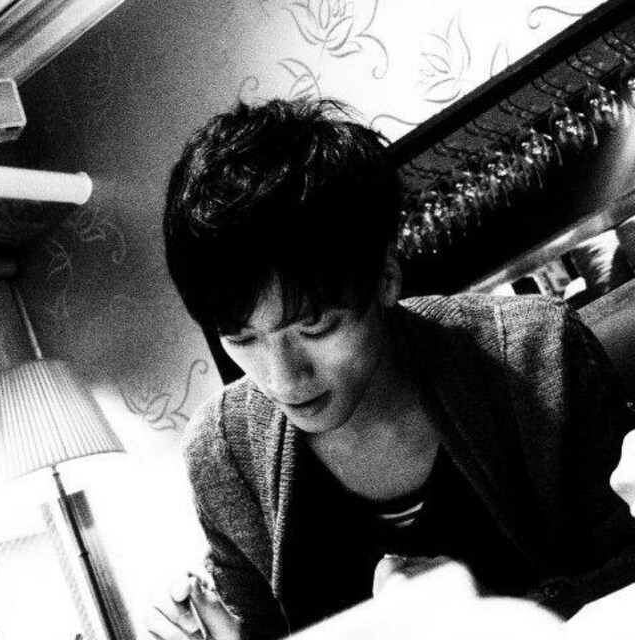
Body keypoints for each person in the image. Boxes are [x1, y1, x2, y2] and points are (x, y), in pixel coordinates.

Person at [149, 97, 635, 640]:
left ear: (385, 278)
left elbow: (626, 565)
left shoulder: (536, 352)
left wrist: (485, 616)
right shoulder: (223, 453)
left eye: (316, 327)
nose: (282, 379)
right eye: (241, 338)